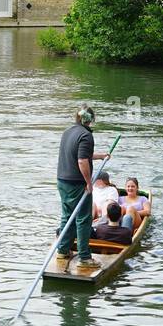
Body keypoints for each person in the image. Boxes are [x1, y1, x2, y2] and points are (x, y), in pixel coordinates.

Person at [54, 106, 110, 271]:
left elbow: (80, 154)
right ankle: (84, 257)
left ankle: (63, 251)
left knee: (66, 216)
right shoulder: (86, 135)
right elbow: (81, 161)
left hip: (62, 181)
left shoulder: (68, 131)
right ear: (90, 120)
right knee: (83, 219)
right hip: (77, 183)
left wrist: (100, 156)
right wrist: (88, 183)